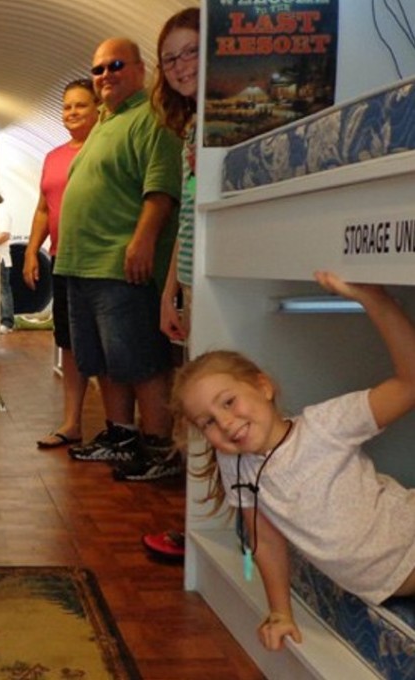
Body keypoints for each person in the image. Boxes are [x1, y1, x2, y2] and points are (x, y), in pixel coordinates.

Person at [173, 271, 415, 652]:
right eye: (208, 422)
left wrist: (375, 301)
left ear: (263, 386)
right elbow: (265, 543)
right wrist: (279, 612)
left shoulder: (325, 426)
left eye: (228, 401)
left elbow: (409, 383)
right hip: (388, 576)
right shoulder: (235, 465)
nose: (225, 423)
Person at [56, 37, 183, 481]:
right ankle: (121, 436)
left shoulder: (152, 117)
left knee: (140, 361)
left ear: (140, 69)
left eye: (115, 65)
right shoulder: (105, 123)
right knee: (104, 362)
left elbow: (162, 187)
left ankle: (159, 449)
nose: (105, 75)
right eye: (98, 69)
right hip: (80, 264)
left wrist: (142, 241)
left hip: (119, 264)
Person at [23, 78, 133, 451]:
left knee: (107, 348)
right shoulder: (54, 156)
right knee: (70, 345)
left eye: (80, 105)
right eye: (67, 106)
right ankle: (71, 424)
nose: (71, 112)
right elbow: (43, 208)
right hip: (62, 262)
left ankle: (117, 429)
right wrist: (31, 251)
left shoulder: (108, 148)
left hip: (101, 263)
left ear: (98, 109)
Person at [141, 7, 201, 561]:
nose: (181, 66)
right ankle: (202, 522)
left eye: (192, 52)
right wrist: (171, 289)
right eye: (171, 58)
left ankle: (206, 526)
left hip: (214, 280)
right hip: (195, 281)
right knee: (197, 407)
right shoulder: (190, 129)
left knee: (208, 406)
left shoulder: (222, 126)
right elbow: (190, 217)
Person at [0, 194, 14, 334]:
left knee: (3, 290)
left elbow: (4, 234)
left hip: (0, 257)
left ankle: (7, 322)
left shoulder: (1, 211)